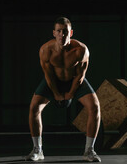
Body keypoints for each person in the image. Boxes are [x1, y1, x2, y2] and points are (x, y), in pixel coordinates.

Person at [25, 17, 101, 162]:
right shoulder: (46, 50)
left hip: (74, 81)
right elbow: (48, 75)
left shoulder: (81, 50)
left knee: (95, 106)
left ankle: (89, 150)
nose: (62, 35)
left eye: (65, 31)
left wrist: (71, 94)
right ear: (54, 33)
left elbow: (80, 75)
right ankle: (37, 150)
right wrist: (55, 93)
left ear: (71, 33)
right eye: (59, 31)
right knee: (34, 107)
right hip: (53, 81)